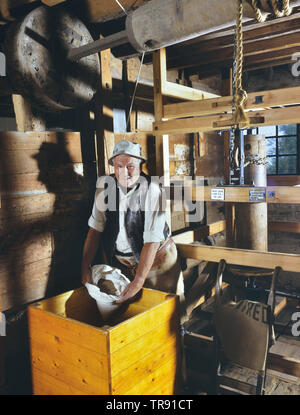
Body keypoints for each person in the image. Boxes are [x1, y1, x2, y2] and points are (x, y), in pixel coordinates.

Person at [81, 140, 186, 320]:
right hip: (125, 264)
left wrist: (138, 281)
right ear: (113, 166)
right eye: (119, 166)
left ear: (139, 164)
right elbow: (95, 230)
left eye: (130, 166)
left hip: (159, 262)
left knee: (169, 317)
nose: (124, 172)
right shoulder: (104, 189)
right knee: (136, 322)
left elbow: (152, 241)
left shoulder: (152, 190)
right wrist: (84, 266)